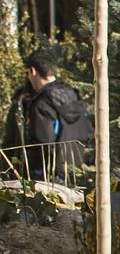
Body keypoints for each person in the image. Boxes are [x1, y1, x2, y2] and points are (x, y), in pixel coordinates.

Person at [14, 49, 88, 184]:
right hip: (77, 173)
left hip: (50, 179)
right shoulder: (73, 95)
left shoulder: (42, 103)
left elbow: (42, 144)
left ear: (33, 71)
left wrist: (31, 175)